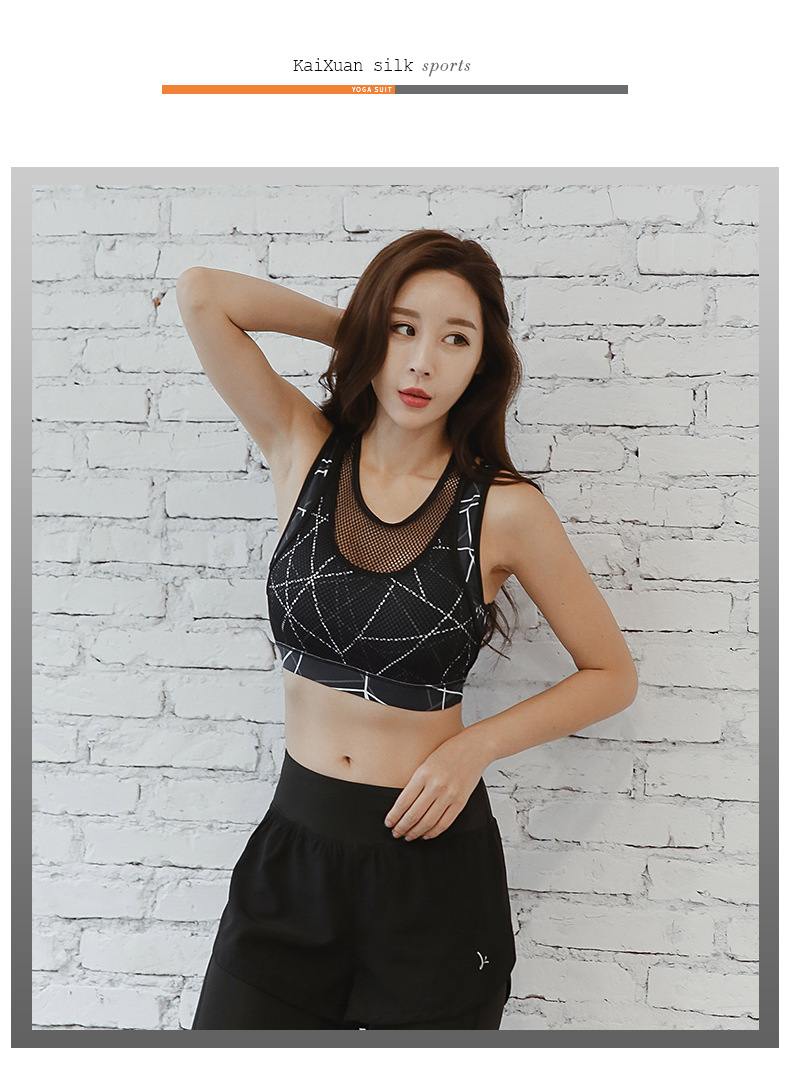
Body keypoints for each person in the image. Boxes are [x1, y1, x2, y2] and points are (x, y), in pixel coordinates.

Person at [176, 229, 638, 1031]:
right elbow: (202, 294)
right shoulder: (302, 447)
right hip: (295, 857)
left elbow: (611, 674)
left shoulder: (505, 510)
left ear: (482, 363)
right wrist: (360, 335)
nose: (423, 362)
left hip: (431, 870)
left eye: (455, 339)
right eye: (404, 328)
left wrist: (473, 747)